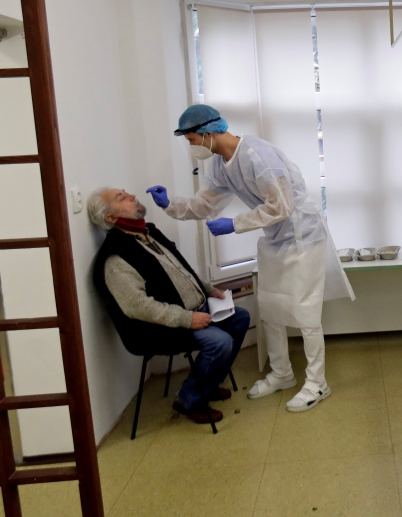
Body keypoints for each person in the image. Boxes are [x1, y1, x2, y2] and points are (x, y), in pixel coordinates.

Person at [146, 104, 354, 413]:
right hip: (274, 239)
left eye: (191, 139)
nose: (191, 147)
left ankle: (317, 383)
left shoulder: (258, 156)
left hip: (301, 235)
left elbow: (281, 206)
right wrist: (170, 205)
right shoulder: (219, 164)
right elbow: (204, 205)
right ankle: (282, 373)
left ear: (208, 132)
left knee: (305, 312)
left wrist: (235, 224)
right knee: (269, 307)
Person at [89, 187, 250, 425]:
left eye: (127, 193)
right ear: (111, 218)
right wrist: (187, 319)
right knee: (220, 342)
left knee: (240, 317)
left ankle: (207, 385)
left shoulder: (148, 232)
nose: (132, 196)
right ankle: (189, 399)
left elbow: (182, 270)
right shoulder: (116, 257)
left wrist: (208, 289)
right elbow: (138, 307)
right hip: (161, 328)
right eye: (122, 198)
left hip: (195, 311)